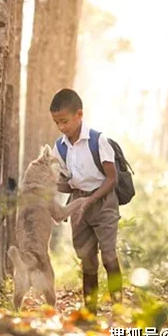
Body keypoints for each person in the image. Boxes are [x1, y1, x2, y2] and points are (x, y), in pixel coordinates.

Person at [50, 88, 123, 314]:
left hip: (103, 202)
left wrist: (90, 201)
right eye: (57, 123)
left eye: (65, 121)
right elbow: (64, 183)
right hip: (78, 204)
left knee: (109, 255)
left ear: (79, 115)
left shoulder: (97, 140)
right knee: (87, 259)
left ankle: (119, 307)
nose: (62, 127)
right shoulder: (59, 147)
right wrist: (50, 183)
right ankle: (90, 312)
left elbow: (112, 179)